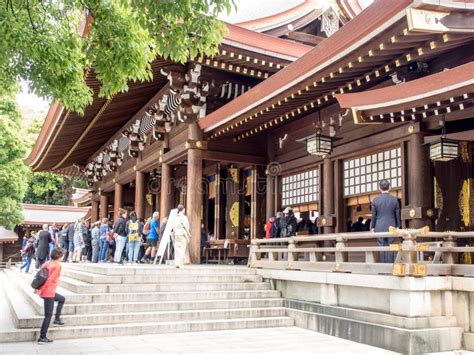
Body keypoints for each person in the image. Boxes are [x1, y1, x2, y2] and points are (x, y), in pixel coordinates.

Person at [36, 247, 66, 345]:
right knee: (48, 316)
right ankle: (42, 337)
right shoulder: (57, 266)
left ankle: (57, 319)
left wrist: (39, 289)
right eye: (62, 255)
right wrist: (44, 291)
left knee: (62, 299)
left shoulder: (47, 263)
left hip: (46, 290)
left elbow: (40, 276)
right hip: (49, 292)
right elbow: (49, 280)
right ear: (60, 256)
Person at [371, 179, 401, 263]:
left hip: (379, 226)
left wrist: (372, 227)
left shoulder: (375, 200)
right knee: (391, 247)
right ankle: (390, 267)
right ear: (390, 187)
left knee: (381, 247)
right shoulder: (394, 199)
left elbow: (374, 215)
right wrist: (398, 226)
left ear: (380, 188)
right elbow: (397, 214)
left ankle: (382, 268)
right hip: (391, 226)